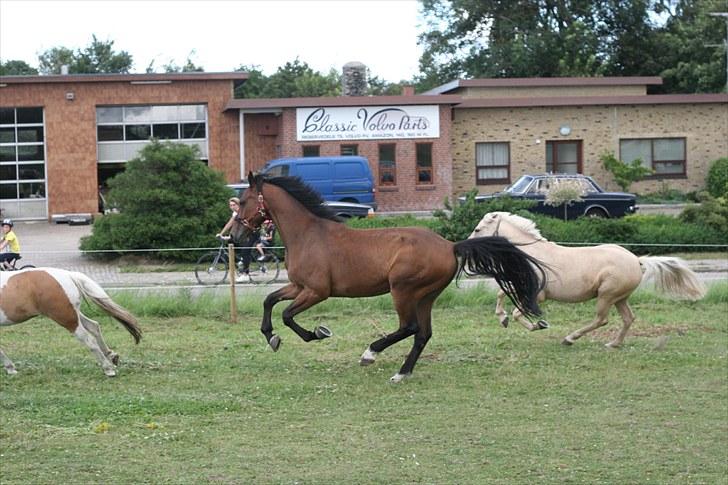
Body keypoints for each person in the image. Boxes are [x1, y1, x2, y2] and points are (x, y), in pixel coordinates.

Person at [216, 197, 258, 282]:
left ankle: (245, 274)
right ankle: (241, 262)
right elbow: (231, 225)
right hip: (245, 234)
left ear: (238, 205)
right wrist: (222, 233)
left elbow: (237, 225)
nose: (232, 207)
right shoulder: (235, 214)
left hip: (253, 233)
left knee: (245, 251)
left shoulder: (242, 213)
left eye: (234, 205)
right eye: (230, 205)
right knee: (232, 243)